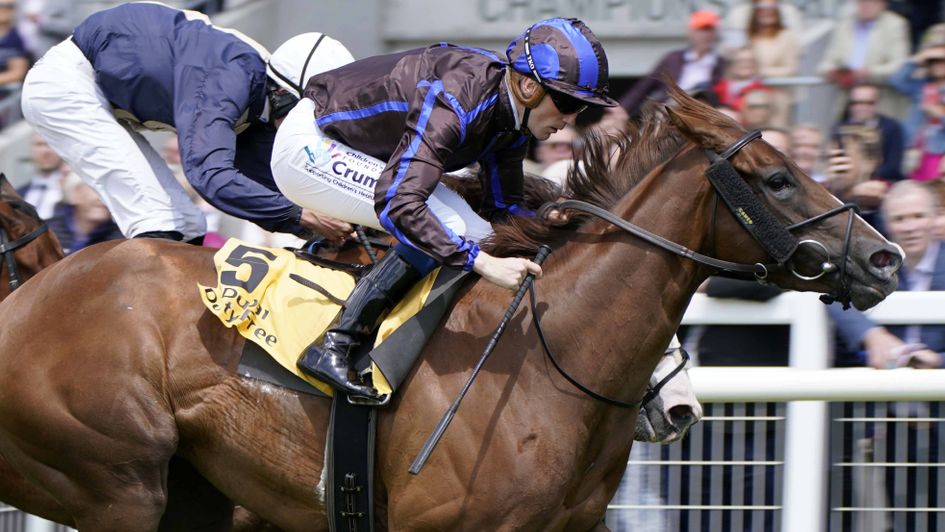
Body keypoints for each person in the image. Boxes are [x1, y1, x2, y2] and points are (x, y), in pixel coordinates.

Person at [271, 17, 618, 399]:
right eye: (568, 102)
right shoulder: (459, 96)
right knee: (450, 225)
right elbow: (399, 202)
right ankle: (335, 344)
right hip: (310, 146)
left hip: (356, 150)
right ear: (528, 85)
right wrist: (483, 263)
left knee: (477, 232)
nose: (571, 119)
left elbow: (502, 211)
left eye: (581, 108)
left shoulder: (512, 120)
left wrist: (548, 220)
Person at [20, 2, 353, 246]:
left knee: (188, 222)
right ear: (282, 93)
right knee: (159, 218)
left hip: (105, 86)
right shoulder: (228, 78)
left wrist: (337, 221)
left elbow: (283, 184)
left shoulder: (258, 98)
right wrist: (302, 217)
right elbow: (210, 175)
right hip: (65, 84)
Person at [829, 181, 945, 369]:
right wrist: (871, 335)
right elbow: (833, 293)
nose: (909, 227)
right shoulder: (874, 263)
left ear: (935, 218)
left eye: (918, 216)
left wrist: (939, 361)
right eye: (899, 219)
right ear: (887, 224)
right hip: (882, 388)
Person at [618, 11, 726, 117]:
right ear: (690, 32)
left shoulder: (721, 64)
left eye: (709, 30)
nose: (705, 35)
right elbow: (643, 87)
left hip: (704, 113)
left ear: (715, 33)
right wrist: (621, 110)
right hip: (670, 110)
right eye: (701, 30)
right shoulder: (672, 59)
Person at [817, 0, 910, 93]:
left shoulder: (895, 24)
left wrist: (868, 72)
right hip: (847, 95)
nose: (866, 6)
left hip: (880, 95)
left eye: (871, 2)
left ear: (883, 4)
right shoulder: (845, 24)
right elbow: (827, 62)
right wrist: (831, 72)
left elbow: (899, 65)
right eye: (862, 2)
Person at [890, 39, 945, 181]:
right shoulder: (921, 86)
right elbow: (896, 80)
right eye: (933, 61)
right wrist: (918, 58)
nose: (938, 64)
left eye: (942, 60)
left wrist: (939, 114)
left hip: (939, 151)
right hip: (915, 149)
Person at [47, 173, 123, 254]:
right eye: (96, 190)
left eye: (109, 192)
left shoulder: (121, 242)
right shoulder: (47, 232)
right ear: (75, 194)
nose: (103, 198)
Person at [17, 133, 67, 220]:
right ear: (31, 149)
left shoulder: (75, 192)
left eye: (51, 144)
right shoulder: (18, 193)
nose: (45, 151)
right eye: (39, 144)